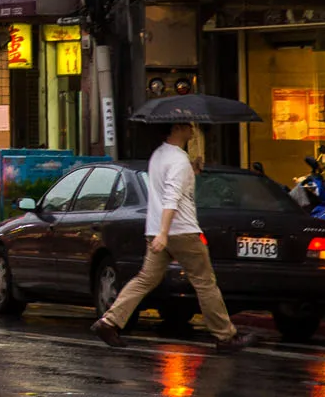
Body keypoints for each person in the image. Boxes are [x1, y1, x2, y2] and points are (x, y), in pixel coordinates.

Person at [91, 123, 257, 353]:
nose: (192, 129)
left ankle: (109, 322)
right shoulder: (178, 160)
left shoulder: (159, 155)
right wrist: (164, 232)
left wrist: (192, 170)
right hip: (181, 231)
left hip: (158, 230)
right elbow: (172, 198)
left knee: (145, 279)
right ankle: (225, 336)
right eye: (188, 125)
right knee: (205, 282)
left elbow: (169, 186)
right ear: (177, 128)